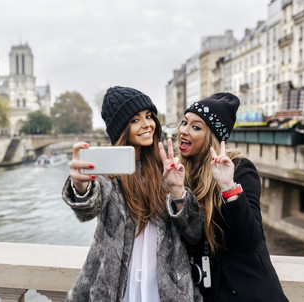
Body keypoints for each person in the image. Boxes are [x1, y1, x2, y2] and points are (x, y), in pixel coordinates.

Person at [62, 86, 204, 302]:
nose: (147, 124)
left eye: (149, 116)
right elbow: (89, 204)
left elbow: (194, 232)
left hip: (166, 286)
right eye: (135, 120)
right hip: (118, 284)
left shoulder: (167, 166)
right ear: (121, 128)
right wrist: (80, 186)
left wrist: (177, 191)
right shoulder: (109, 171)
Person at [177, 92, 288, 301]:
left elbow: (251, 238)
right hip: (209, 292)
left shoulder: (240, 169)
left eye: (196, 127)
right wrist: (176, 192)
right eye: (184, 122)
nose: (184, 131)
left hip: (250, 292)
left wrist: (228, 186)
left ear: (212, 137)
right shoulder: (180, 173)